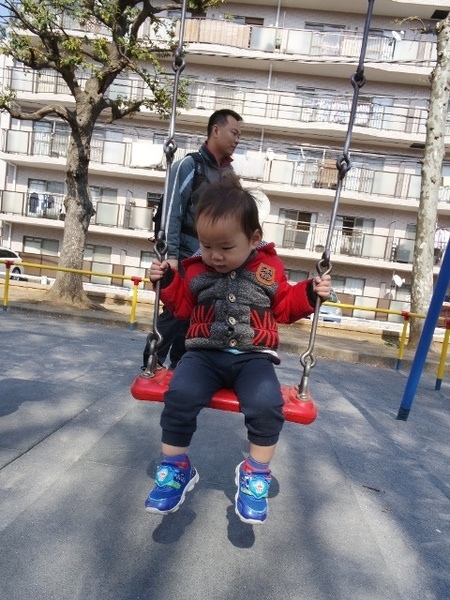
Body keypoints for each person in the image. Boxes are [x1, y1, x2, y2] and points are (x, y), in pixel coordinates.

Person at [144, 177, 332, 524]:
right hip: (202, 354)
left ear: (254, 239)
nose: (215, 255)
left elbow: (284, 307)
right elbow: (183, 308)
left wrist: (309, 292)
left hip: (253, 357)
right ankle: (175, 469)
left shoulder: (267, 269)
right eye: (206, 244)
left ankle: (255, 474)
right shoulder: (195, 268)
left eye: (226, 247)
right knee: (179, 394)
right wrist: (168, 282)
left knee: (267, 404)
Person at [143, 109, 243, 371]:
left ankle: (180, 363)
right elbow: (171, 213)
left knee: (198, 314)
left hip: (212, 258)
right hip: (186, 253)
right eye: (234, 132)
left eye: (239, 135)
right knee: (177, 311)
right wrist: (172, 257)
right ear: (216, 130)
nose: (237, 139)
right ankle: (152, 359)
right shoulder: (189, 166)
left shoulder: (229, 174)